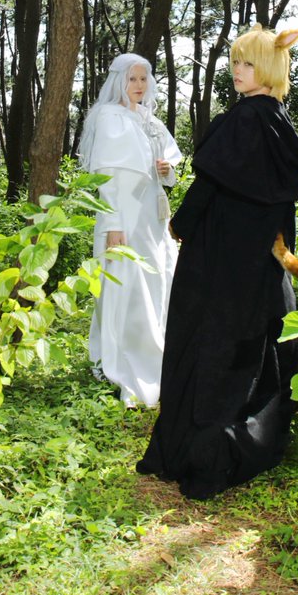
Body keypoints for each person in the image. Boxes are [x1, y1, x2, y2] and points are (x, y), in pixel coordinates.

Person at [136, 26, 298, 498]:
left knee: (207, 341)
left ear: (269, 67)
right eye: (236, 61)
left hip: (219, 258)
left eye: (248, 63)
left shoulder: (246, 119)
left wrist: (182, 224)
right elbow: (281, 205)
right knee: (249, 345)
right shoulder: (276, 119)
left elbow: (210, 183)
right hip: (255, 261)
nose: (238, 70)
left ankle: (205, 452)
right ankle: (240, 441)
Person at [79, 53, 182, 408]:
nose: (139, 86)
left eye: (143, 79)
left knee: (157, 281)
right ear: (119, 82)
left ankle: (158, 356)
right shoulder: (110, 118)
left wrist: (166, 170)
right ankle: (125, 361)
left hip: (152, 216)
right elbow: (106, 177)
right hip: (123, 216)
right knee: (127, 284)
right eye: (132, 79)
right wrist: (112, 224)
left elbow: (166, 173)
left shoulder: (149, 120)